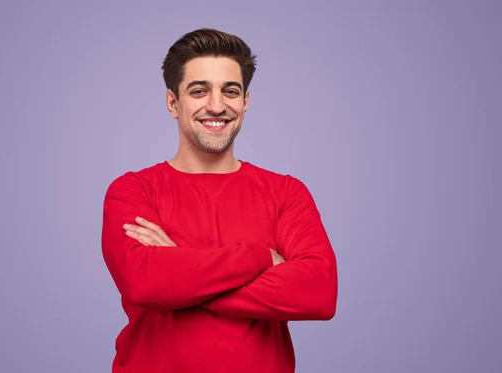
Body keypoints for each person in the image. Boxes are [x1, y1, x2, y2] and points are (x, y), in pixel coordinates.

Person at [101, 28, 338, 373]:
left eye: (230, 91)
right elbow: (145, 284)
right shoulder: (133, 190)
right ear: (173, 102)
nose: (217, 105)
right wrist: (258, 256)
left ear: (245, 102)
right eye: (199, 91)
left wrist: (179, 274)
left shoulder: (286, 192)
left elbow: (318, 293)